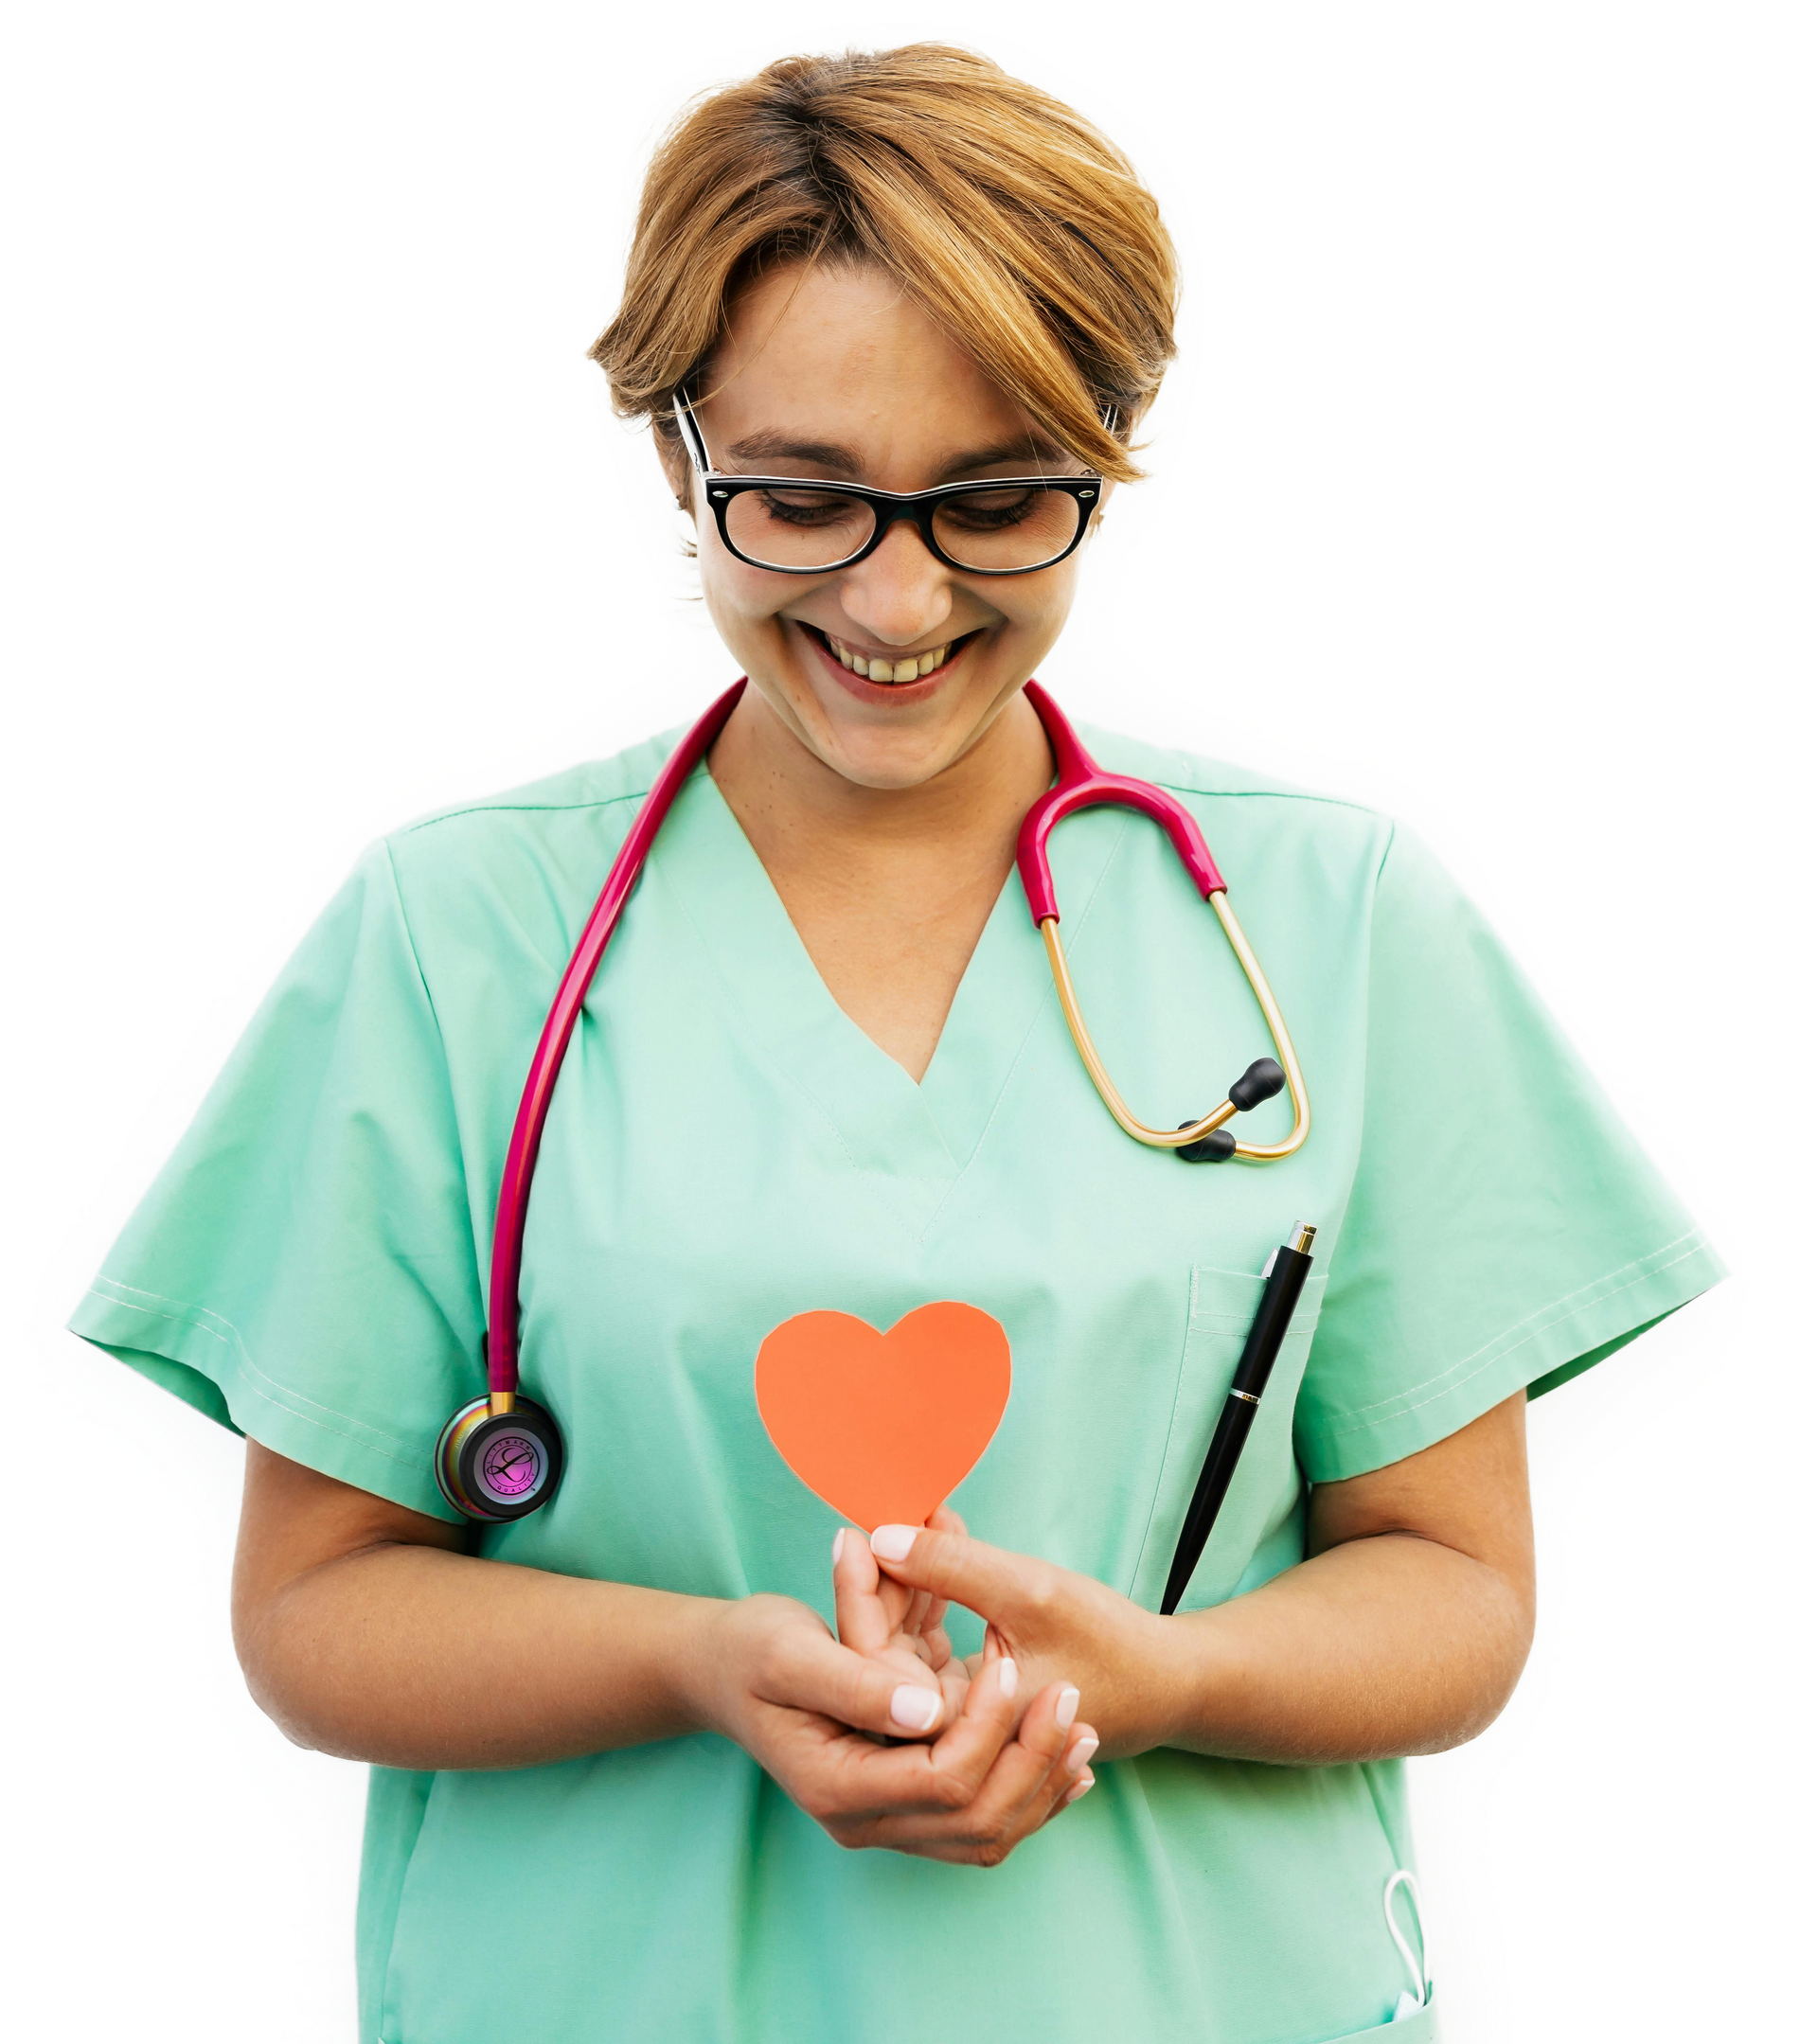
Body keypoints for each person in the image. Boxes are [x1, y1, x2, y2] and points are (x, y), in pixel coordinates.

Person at [66, 43, 1728, 2044]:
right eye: (801, 498)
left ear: (1112, 458)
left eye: (996, 499)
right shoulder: (451, 936)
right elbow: (315, 1613)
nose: (897, 591)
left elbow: (1455, 1593)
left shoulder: (1340, 920)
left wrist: (1168, 1678)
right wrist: (700, 1662)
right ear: (672, 455)